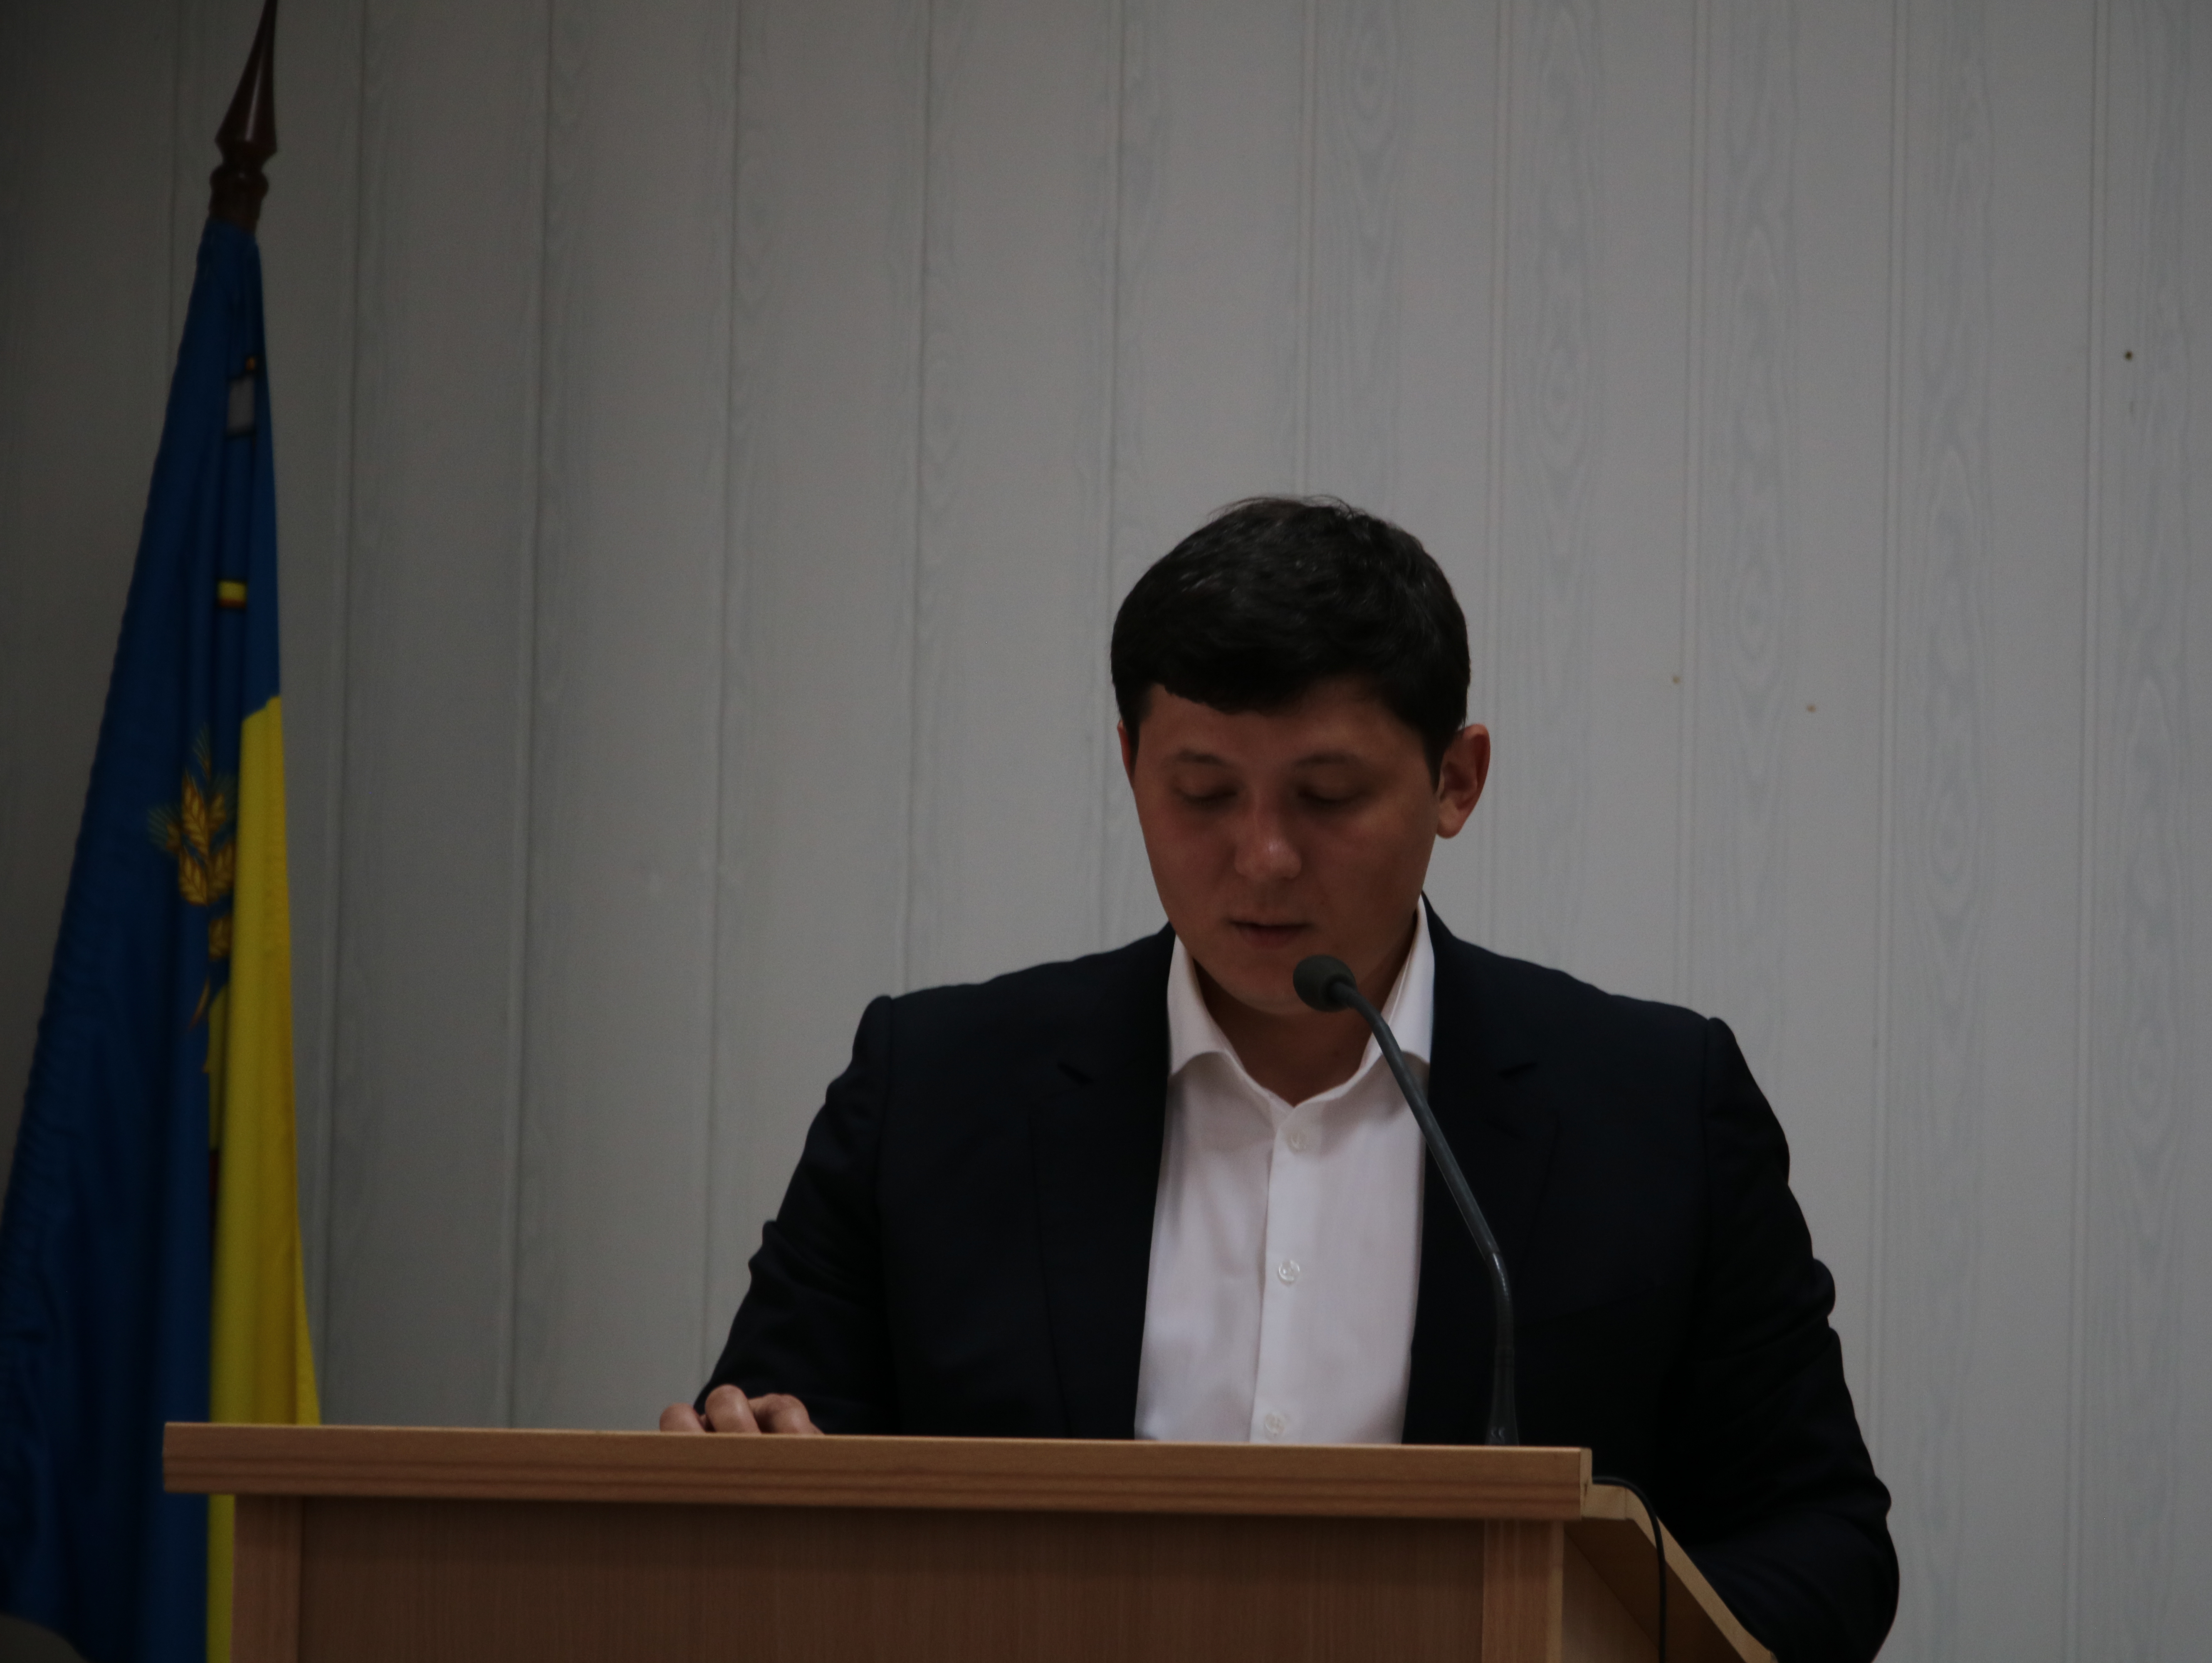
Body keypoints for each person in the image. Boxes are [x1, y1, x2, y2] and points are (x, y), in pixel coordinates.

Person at [662, 497, 1898, 1662]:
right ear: (1131, 765)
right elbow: (769, 1448)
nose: (1261, 858)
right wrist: (732, 1471)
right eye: (1202, 794)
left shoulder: (1655, 1106)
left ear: (1456, 781)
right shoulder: (933, 1090)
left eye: (1328, 797)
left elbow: (1820, 1541)